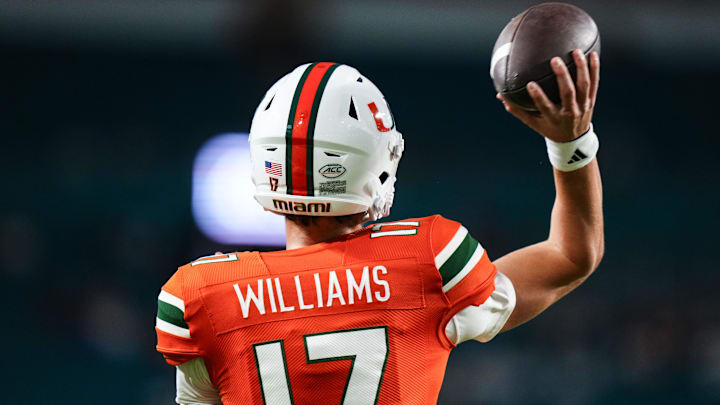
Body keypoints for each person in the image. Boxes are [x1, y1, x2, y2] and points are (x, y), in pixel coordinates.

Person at [155, 51, 603, 404]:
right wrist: (570, 143)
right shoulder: (429, 261)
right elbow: (571, 256)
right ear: (376, 162)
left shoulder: (200, 296)